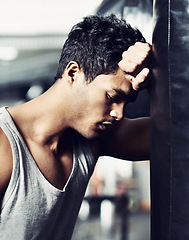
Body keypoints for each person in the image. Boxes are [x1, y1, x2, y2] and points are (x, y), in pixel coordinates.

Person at [0, 14, 151, 239]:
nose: (119, 114)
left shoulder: (92, 141)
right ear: (73, 73)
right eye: (111, 96)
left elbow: (176, 134)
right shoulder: (4, 146)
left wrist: (158, 67)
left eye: (125, 103)